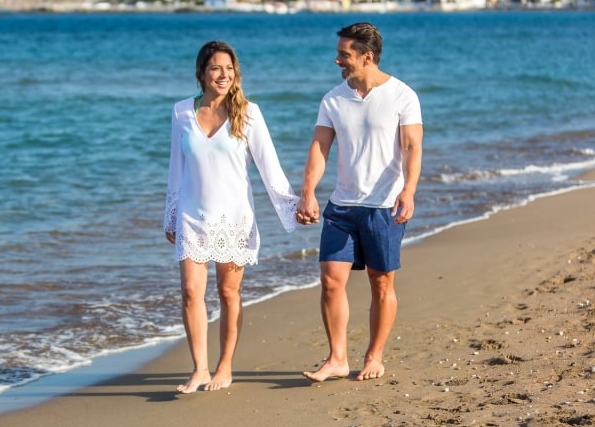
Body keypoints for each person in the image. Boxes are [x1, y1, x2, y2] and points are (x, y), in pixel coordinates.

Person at [164, 40, 298, 393]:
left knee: (228, 292)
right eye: (215, 68)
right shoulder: (181, 112)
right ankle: (199, 369)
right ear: (201, 73)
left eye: (228, 69)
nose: (223, 75)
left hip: (234, 218)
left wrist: (293, 208)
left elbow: (270, 168)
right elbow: (176, 168)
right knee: (191, 292)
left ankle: (225, 367)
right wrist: (171, 214)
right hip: (192, 215)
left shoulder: (248, 113)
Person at [295, 22, 423, 382]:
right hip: (342, 206)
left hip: (384, 206)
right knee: (331, 279)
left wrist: (408, 190)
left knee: (380, 282)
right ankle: (337, 358)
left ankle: (374, 356)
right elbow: (319, 147)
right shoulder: (333, 99)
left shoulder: (402, 96)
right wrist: (308, 192)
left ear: (367, 57)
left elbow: (412, 147)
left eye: (344, 54)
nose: (337, 60)